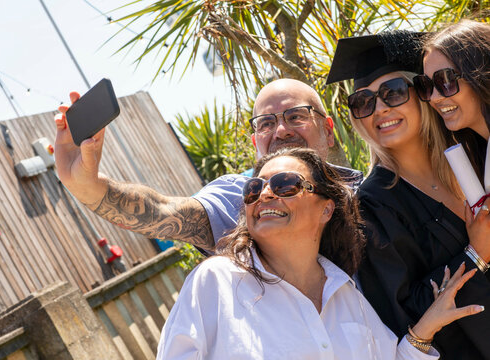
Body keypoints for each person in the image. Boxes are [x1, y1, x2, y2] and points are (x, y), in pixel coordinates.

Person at [157, 147, 483, 359]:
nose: (265, 194)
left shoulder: (347, 293)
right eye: (253, 188)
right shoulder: (216, 282)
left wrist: (424, 330)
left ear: (326, 209)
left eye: (286, 185)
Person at [326, 30, 490, 359]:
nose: (380, 108)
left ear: (421, 93)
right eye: (363, 102)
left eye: (394, 91)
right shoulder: (371, 207)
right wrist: (475, 256)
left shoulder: (472, 152)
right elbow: (401, 314)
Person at [54, 79, 362, 252]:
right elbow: (161, 212)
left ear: (329, 130)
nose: (281, 130)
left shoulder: (368, 193)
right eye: (266, 123)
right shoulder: (241, 198)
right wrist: (87, 185)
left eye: (296, 116)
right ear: (255, 143)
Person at [414, 19, 490, 183]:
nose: (434, 98)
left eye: (446, 80)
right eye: (427, 85)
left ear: (480, 75)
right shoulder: (478, 156)